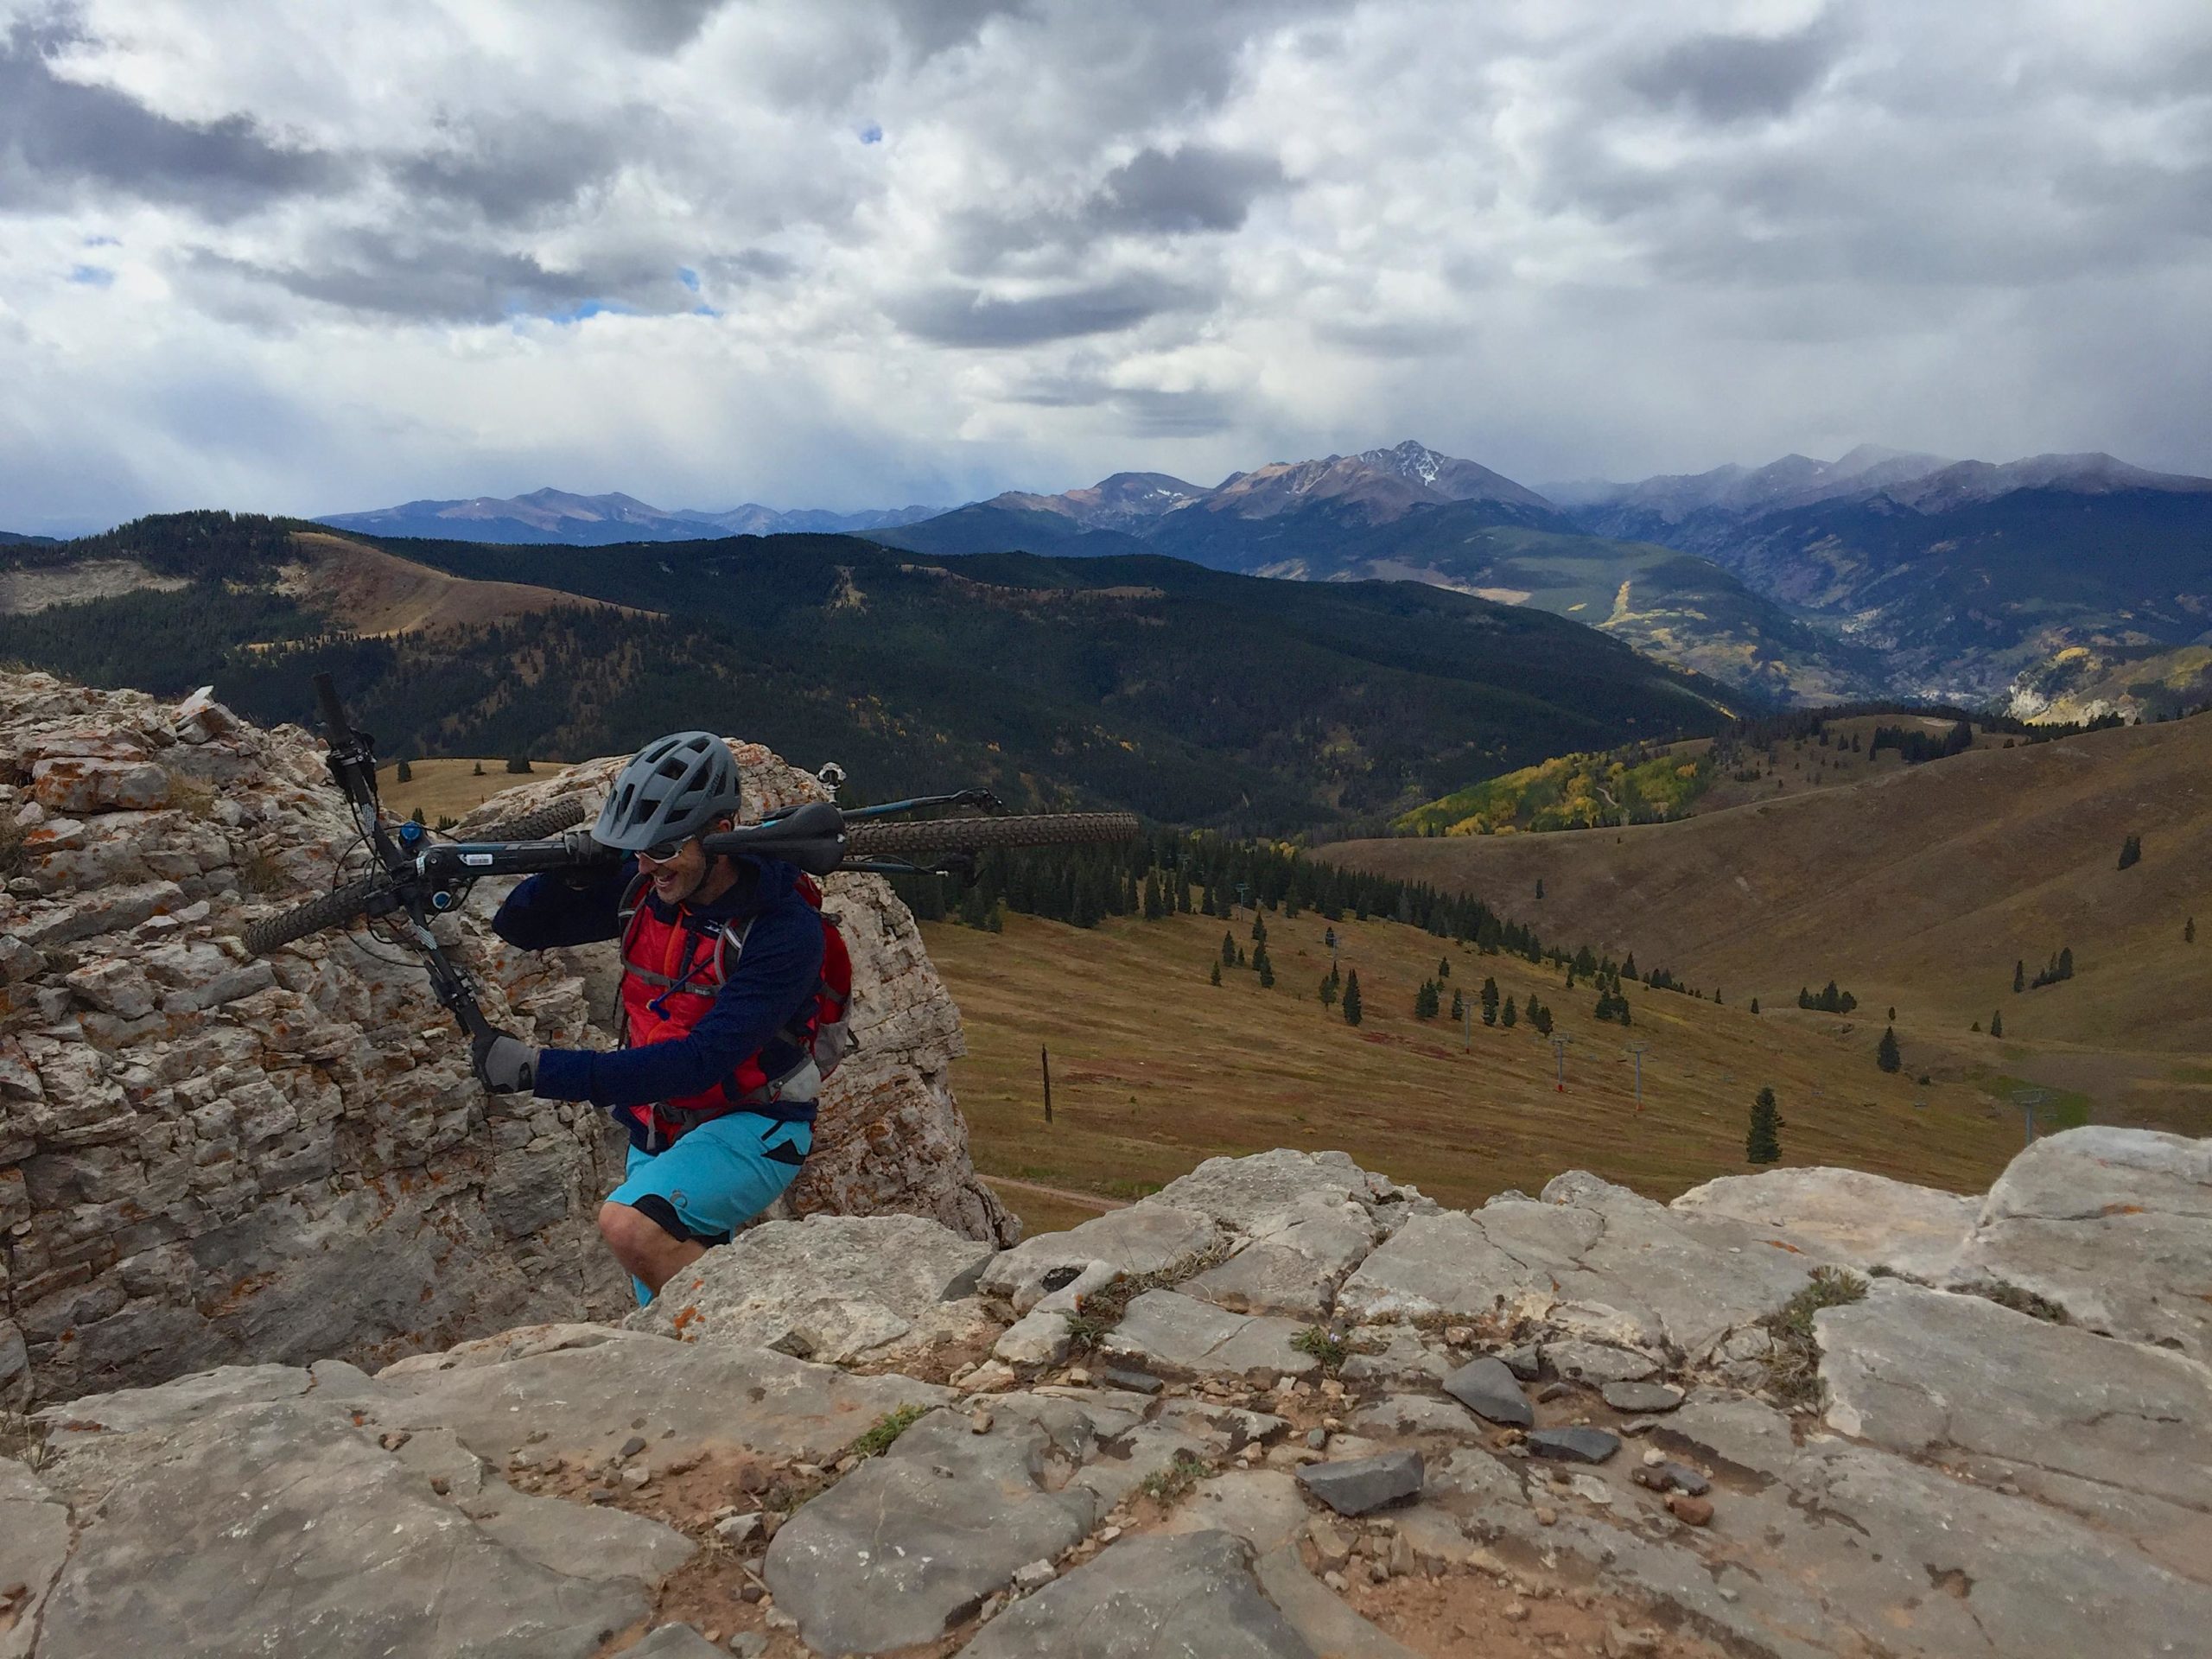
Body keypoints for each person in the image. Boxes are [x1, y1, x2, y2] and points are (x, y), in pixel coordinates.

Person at [471, 732, 826, 1302]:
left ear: (720, 836)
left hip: (756, 1125)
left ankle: (737, 1353)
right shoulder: (651, 889)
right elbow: (520, 927)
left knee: (631, 1226)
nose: (646, 865)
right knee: (659, 1303)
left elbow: (698, 1063)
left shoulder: (784, 930)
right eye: (638, 849)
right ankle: (722, 1367)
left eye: (662, 848)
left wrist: (544, 1071)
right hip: (658, 1126)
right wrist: (572, 873)